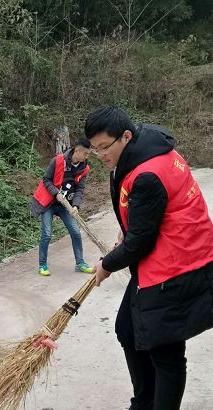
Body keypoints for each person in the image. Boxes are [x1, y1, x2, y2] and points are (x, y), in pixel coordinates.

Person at [85, 105, 213, 410]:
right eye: (94, 148)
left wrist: (106, 265)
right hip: (162, 257)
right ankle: (143, 401)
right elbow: (144, 221)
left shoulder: (147, 174)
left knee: (166, 354)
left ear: (126, 136)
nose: (101, 155)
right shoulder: (143, 147)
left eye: (105, 147)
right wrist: (128, 227)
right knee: (127, 330)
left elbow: (140, 242)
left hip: (178, 266)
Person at [30, 138, 94, 276]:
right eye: (86, 154)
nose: (87, 157)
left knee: (76, 232)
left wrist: (76, 205)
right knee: (46, 234)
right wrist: (55, 193)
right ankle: (42, 265)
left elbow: (80, 189)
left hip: (66, 205)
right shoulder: (58, 160)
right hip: (49, 203)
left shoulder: (84, 169)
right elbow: (46, 180)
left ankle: (80, 263)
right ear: (77, 151)